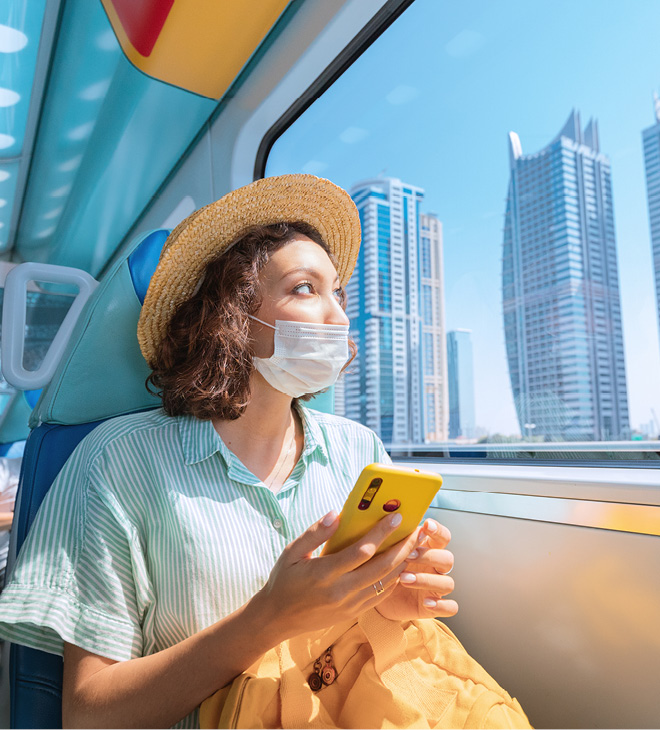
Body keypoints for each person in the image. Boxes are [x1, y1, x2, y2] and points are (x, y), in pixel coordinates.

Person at [0, 175, 529, 729]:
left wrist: (386, 600)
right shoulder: (115, 463)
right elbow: (89, 715)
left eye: (339, 293)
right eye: (305, 288)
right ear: (233, 317)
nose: (340, 317)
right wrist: (267, 620)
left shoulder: (360, 450)